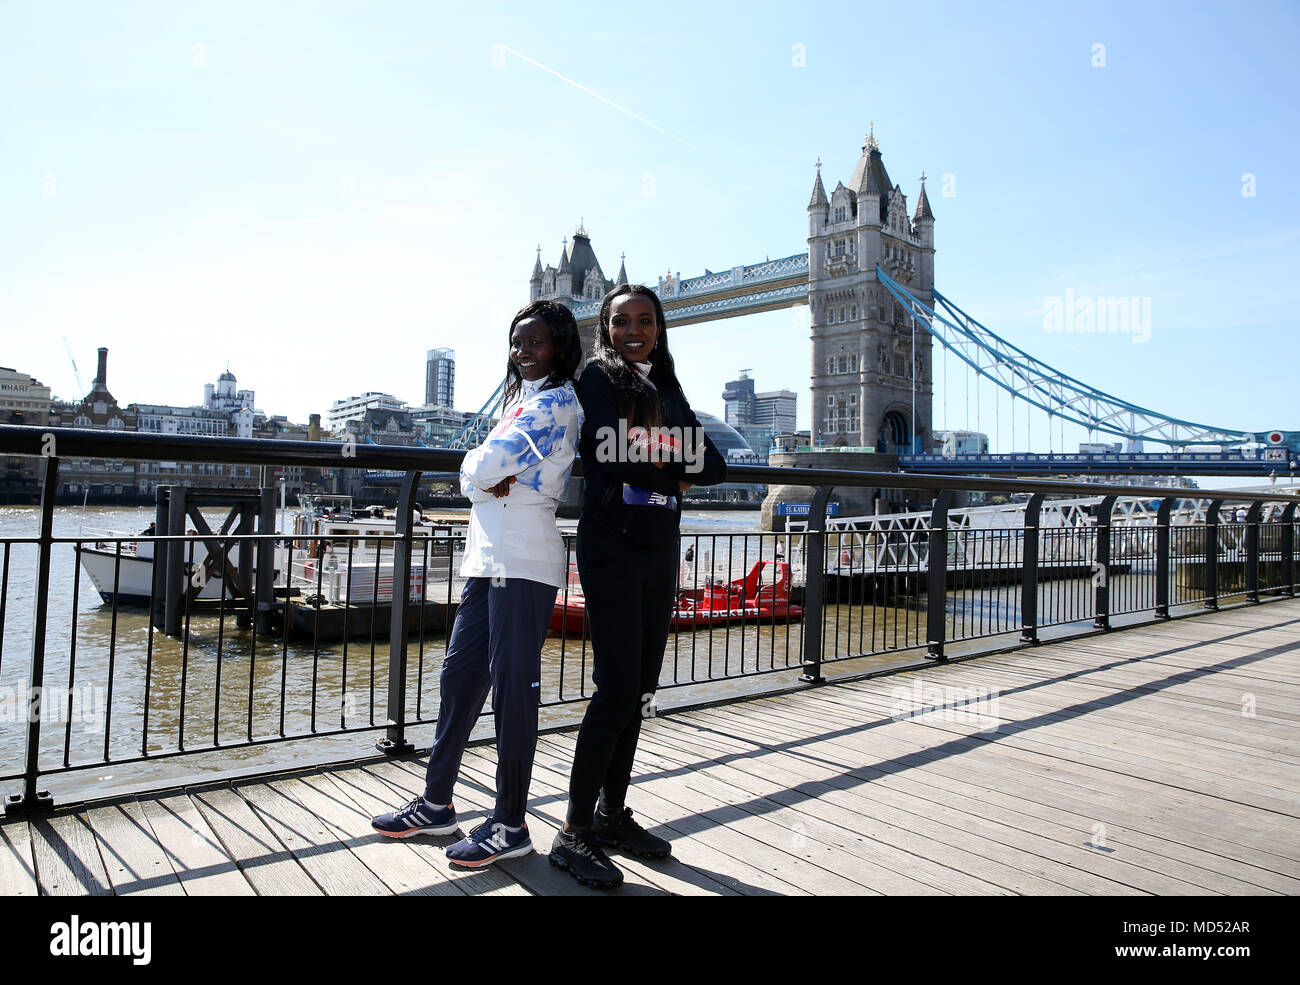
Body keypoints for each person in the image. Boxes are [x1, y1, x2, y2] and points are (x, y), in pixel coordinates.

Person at [370, 300, 584, 867]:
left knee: (514, 692)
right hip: (486, 557)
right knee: (459, 678)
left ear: (559, 346)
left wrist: (486, 475)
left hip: (524, 558)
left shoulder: (558, 402)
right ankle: (437, 803)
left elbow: (484, 469)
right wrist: (486, 474)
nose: (524, 351)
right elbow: (482, 472)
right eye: (517, 342)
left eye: (536, 341)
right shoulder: (520, 401)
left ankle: (511, 824)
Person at [550, 284, 726, 888]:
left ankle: (611, 815)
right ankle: (571, 833)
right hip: (613, 543)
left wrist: (657, 455)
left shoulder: (668, 383)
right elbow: (607, 450)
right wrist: (672, 458)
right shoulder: (595, 379)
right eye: (621, 321)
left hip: (659, 544)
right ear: (606, 328)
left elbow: (714, 465)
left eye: (645, 321)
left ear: (659, 328)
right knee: (616, 687)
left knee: (642, 690)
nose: (634, 330)